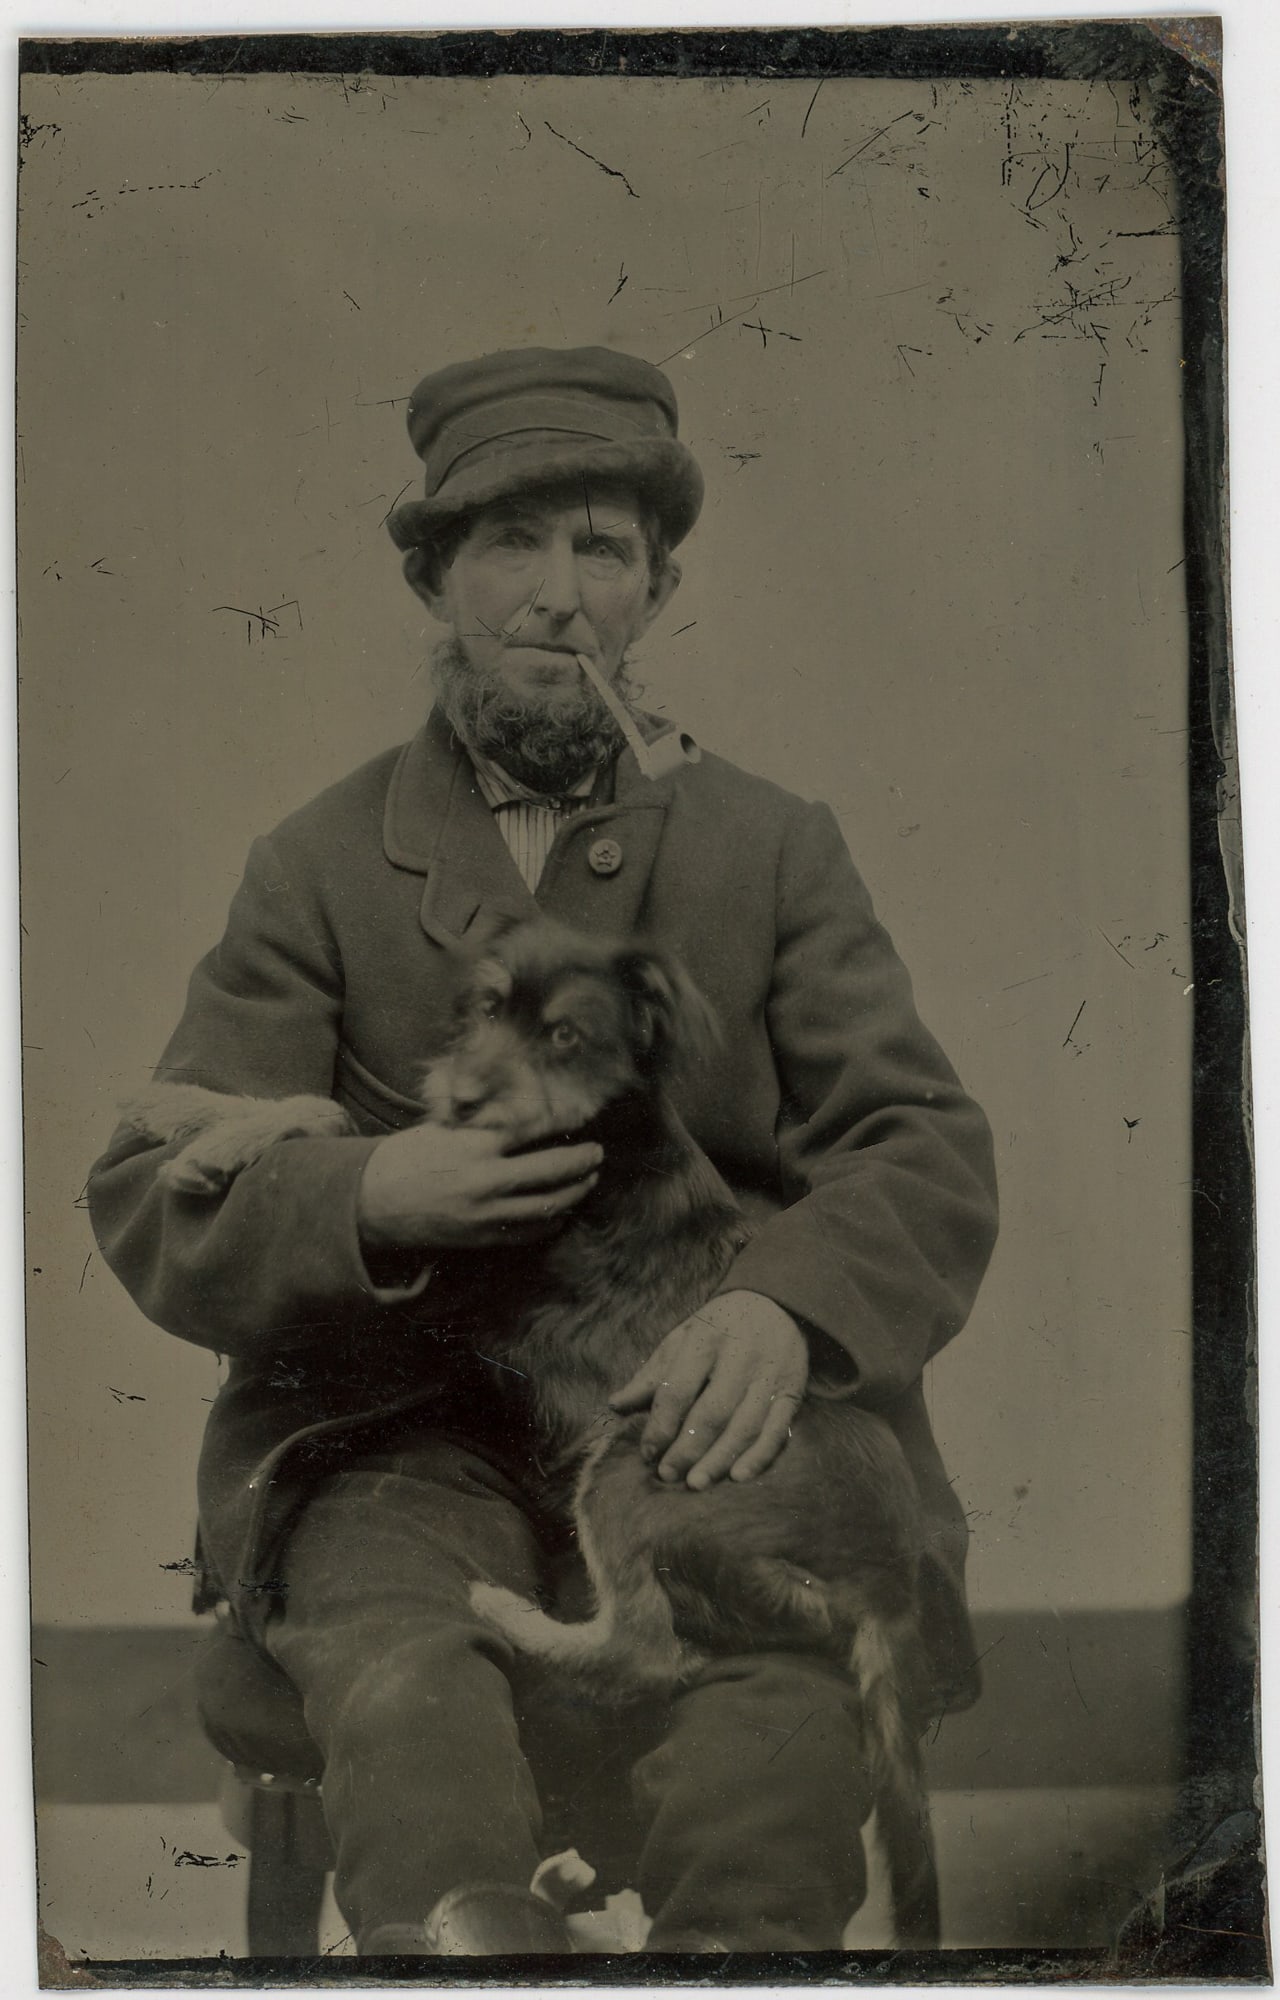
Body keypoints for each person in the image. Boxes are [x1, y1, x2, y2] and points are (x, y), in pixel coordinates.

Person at [88, 346, 998, 1957]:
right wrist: (368, 1192)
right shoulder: (316, 864)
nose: (558, 596)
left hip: (705, 1428)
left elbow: (918, 1144)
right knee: (401, 1680)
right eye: (512, 543)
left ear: (657, 589)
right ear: (437, 575)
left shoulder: (769, 848)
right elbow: (151, 1197)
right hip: (399, 1428)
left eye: (604, 550)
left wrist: (781, 1312)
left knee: (771, 1752)